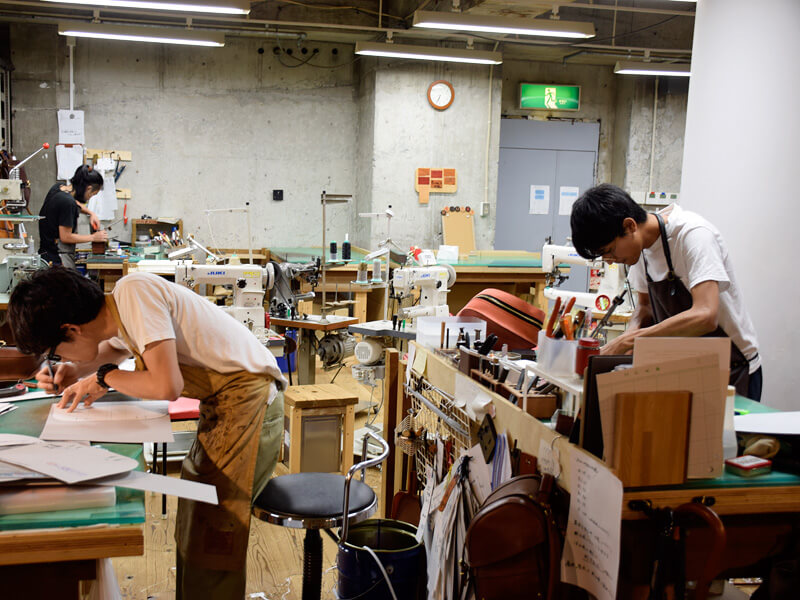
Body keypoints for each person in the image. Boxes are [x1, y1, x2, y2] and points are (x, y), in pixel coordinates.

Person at [8, 267, 287, 598]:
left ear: (71, 329)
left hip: (251, 406)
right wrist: (74, 370)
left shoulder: (135, 291)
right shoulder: (121, 308)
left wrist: (102, 377)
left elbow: (167, 385)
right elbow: (115, 349)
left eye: (55, 354)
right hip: (227, 407)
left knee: (215, 535)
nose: (57, 361)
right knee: (196, 522)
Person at [570, 183, 762, 401]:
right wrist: (630, 332)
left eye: (610, 251)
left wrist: (629, 341)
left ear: (630, 226)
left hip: (733, 370)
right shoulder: (639, 250)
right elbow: (645, 307)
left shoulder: (693, 235)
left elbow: (706, 315)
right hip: (688, 367)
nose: (610, 261)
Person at [38, 165, 108, 268]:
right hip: (57, 259)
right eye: (92, 194)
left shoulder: (59, 188)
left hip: (45, 254)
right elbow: (66, 237)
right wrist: (93, 237)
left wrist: (91, 213)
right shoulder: (67, 203)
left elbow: (75, 203)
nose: (89, 198)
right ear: (88, 189)